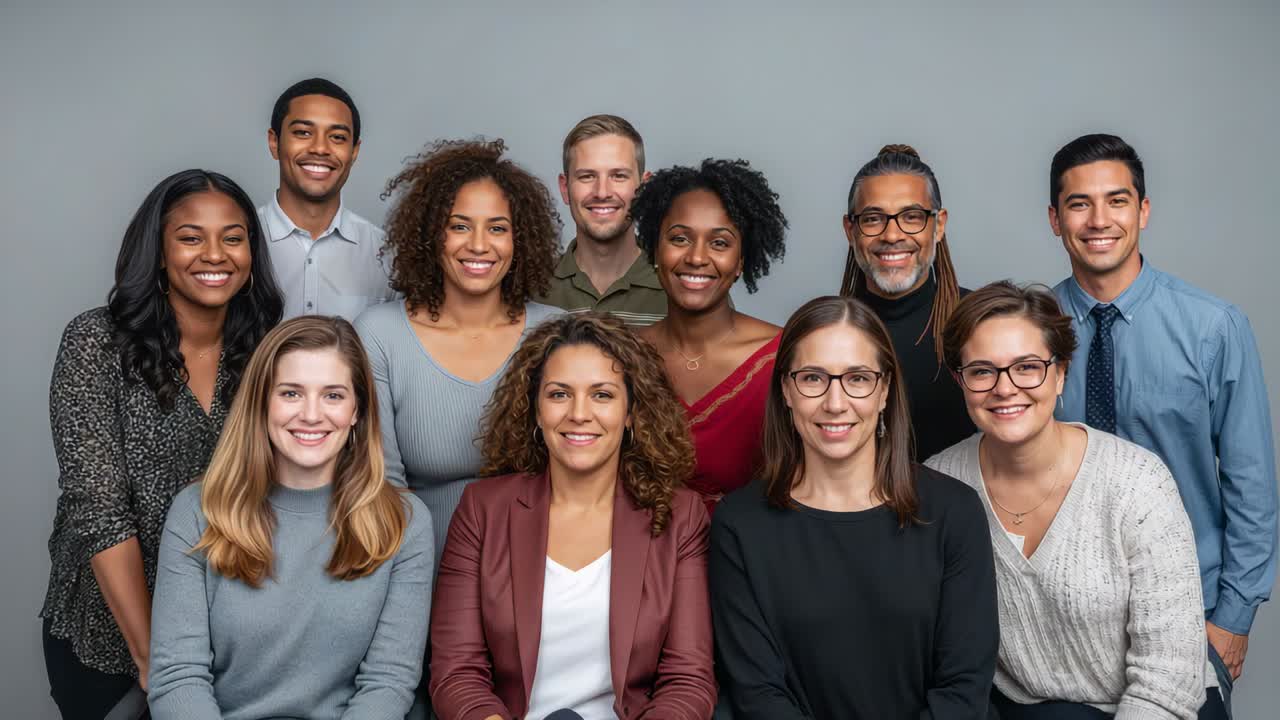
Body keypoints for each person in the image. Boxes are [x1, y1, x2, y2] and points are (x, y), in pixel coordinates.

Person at [39, 169, 283, 718]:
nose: (215, 254)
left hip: (228, 630)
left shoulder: (268, 352)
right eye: (191, 237)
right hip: (108, 631)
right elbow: (99, 511)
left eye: (234, 237)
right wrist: (157, 657)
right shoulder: (95, 343)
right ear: (157, 252)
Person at [1047, 134, 1277, 703]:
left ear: (1143, 211)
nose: (1099, 219)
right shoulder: (1029, 332)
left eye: (1117, 200)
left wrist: (1233, 616)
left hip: (1188, 607)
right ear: (1055, 219)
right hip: (1062, 612)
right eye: (1079, 204)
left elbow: (1251, 484)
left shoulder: (1214, 327)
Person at [926, 282, 1214, 719]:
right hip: (1035, 711)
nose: (1005, 388)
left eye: (1027, 367)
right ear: (960, 380)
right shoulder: (937, 485)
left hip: (1161, 706)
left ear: (1061, 372)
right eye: (983, 370)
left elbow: (1170, 678)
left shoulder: (1136, 480)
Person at [710, 295, 997, 719]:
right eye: (812, 378)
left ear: (883, 391)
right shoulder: (739, 524)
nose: (835, 402)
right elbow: (759, 694)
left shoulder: (954, 512)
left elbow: (962, 690)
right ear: (786, 390)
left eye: (858, 379)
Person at [430, 313, 717, 720]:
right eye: (559, 394)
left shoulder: (680, 516)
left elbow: (688, 680)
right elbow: (456, 672)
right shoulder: (483, 509)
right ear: (535, 409)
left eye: (602, 395)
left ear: (633, 412)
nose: (579, 414)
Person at [147, 316, 433, 719]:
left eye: (333, 395)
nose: (312, 415)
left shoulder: (404, 522)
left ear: (357, 411)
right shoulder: (197, 511)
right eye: (291, 393)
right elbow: (178, 678)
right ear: (262, 403)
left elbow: (388, 682)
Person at [355, 138, 562, 564]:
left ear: (521, 240)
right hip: (413, 568)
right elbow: (383, 488)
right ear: (432, 234)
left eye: (498, 228)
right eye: (460, 225)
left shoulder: (555, 332)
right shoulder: (380, 334)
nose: (479, 245)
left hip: (536, 572)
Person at [632, 158, 787, 514]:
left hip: (748, 561)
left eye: (719, 243)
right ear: (655, 250)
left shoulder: (782, 358)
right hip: (640, 561)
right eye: (679, 238)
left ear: (742, 260)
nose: (697, 257)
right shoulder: (620, 357)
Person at [839, 144, 975, 461]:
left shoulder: (982, 325)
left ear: (939, 225)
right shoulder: (823, 334)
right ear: (850, 230)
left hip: (961, 507)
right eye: (873, 219)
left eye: (911, 217)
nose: (891, 235)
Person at [260, 77, 397, 319]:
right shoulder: (238, 244)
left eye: (337, 137)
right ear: (274, 142)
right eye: (303, 132)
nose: (320, 148)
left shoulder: (385, 255)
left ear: (354, 151)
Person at [538, 114, 666, 326]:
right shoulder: (533, 287)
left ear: (644, 188)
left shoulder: (681, 285)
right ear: (564, 187)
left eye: (618, 176)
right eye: (587, 176)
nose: (602, 192)